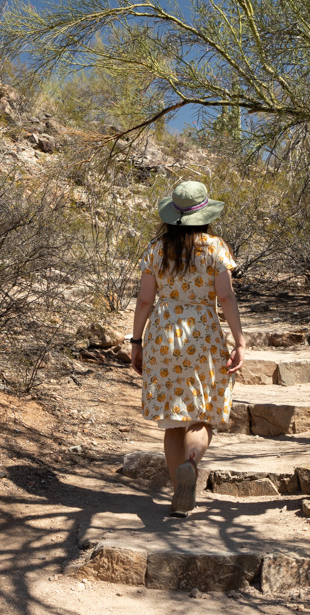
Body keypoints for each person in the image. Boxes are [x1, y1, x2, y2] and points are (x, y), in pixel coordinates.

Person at [130, 181, 245, 517]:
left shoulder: (155, 249)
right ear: (204, 213)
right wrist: (239, 340)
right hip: (203, 335)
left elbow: (145, 300)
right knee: (202, 414)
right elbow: (225, 297)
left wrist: (136, 342)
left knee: (173, 421)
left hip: (163, 335)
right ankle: (191, 465)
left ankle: (179, 492)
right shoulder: (214, 247)